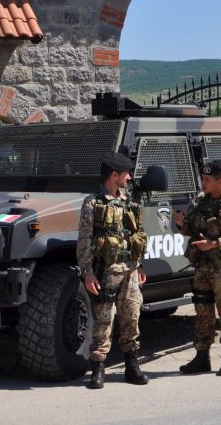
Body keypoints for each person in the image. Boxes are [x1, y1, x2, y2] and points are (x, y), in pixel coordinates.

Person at [77, 152, 149, 389]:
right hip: (105, 270)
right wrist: (87, 272)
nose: (129, 178)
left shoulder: (129, 200)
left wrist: (139, 265)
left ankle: (132, 366)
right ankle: (98, 369)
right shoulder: (93, 202)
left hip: (129, 270)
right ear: (114, 175)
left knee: (132, 317)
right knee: (103, 320)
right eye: (126, 173)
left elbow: (136, 232)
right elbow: (85, 239)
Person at [174, 159, 221, 376]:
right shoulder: (199, 201)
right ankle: (201, 357)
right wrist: (181, 224)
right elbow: (190, 229)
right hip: (201, 267)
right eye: (203, 178)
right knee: (202, 314)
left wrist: (215, 244)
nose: (203, 183)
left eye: (207, 179)